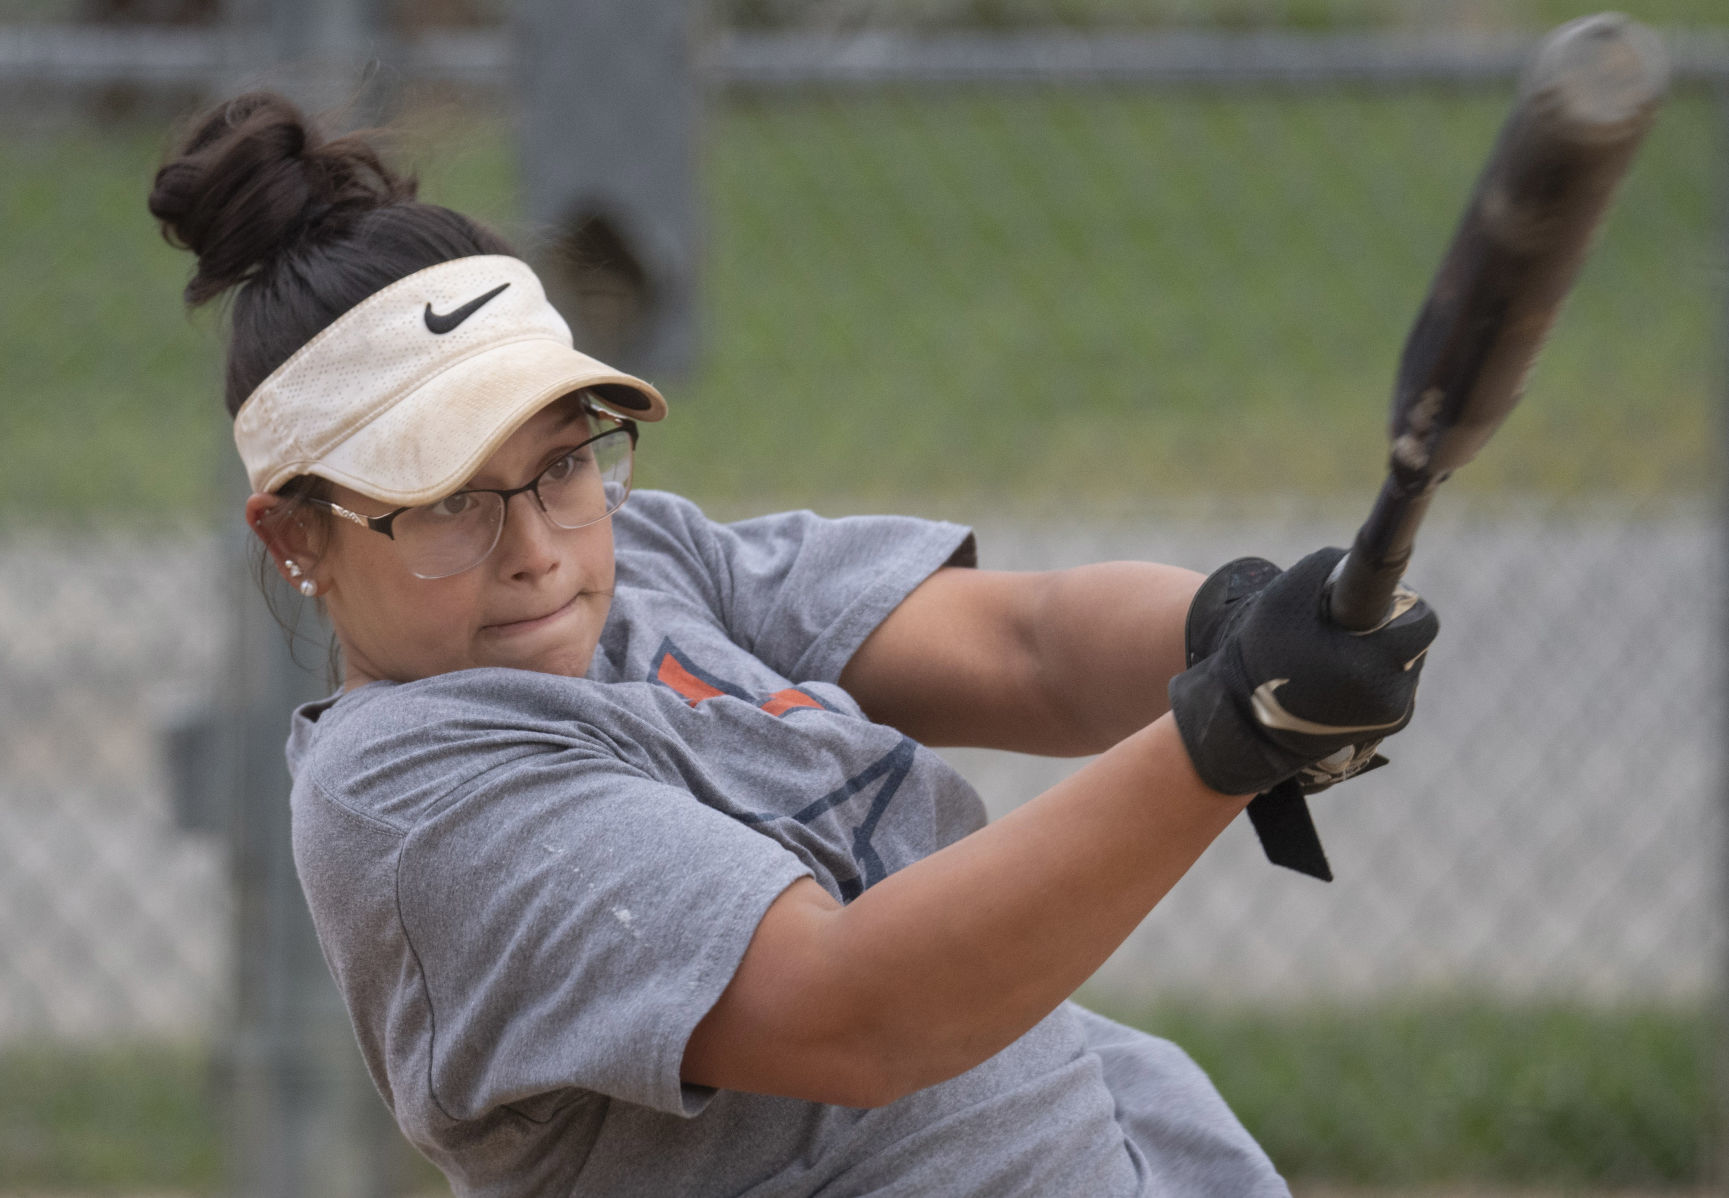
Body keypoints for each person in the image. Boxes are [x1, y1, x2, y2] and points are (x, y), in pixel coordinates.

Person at [149, 92, 1437, 1197]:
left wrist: (1239, 623)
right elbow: (856, 1011)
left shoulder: (644, 564)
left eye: (561, 468)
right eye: (442, 505)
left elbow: (1027, 647)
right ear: (295, 540)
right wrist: (1229, 737)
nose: (537, 546)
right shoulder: (412, 802)